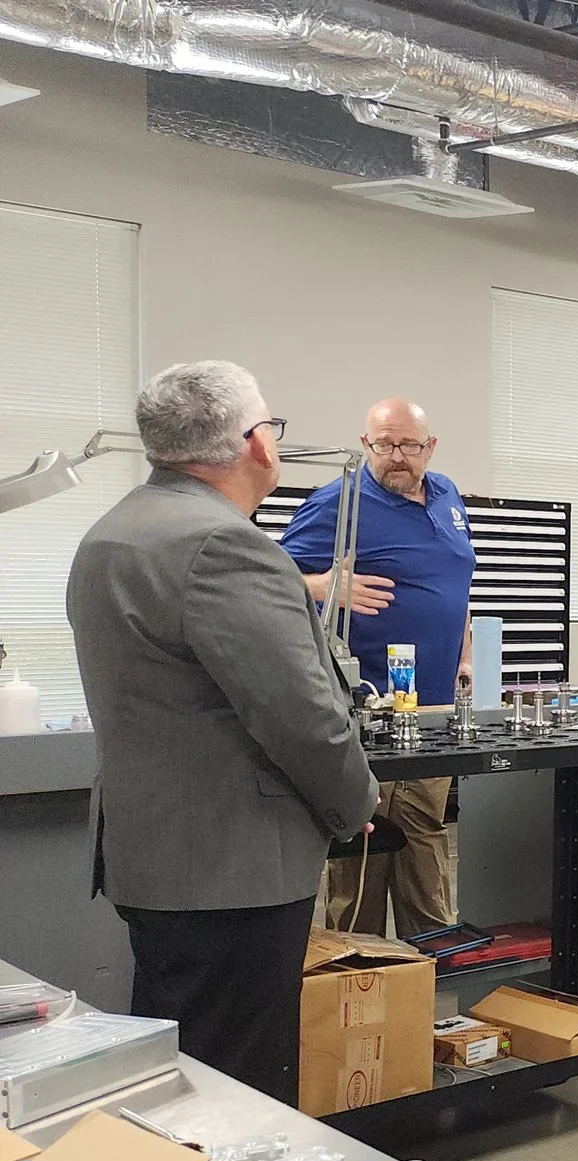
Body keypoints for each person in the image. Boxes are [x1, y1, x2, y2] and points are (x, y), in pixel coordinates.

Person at [66, 361, 375, 1102]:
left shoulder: (110, 535)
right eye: (270, 424)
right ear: (255, 444)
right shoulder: (225, 548)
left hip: (153, 857)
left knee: (181, 1076)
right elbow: (303, 721)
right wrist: (355, 803)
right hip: (233, 870)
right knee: (240, 1093)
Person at [279, 398, 475, 937]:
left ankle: (430, 979)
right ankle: (356, 989)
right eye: (383, 444)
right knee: (363, 850)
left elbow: (456, 584)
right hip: (370, 711)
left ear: (429, 447)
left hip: (432, 711)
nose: (396, 456)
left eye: (409, 445)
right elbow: (263, 577)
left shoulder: (448, 496)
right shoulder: (337, 502)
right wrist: (322, 586)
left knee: (424, 837)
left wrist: (464, 652)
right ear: (365, 445)